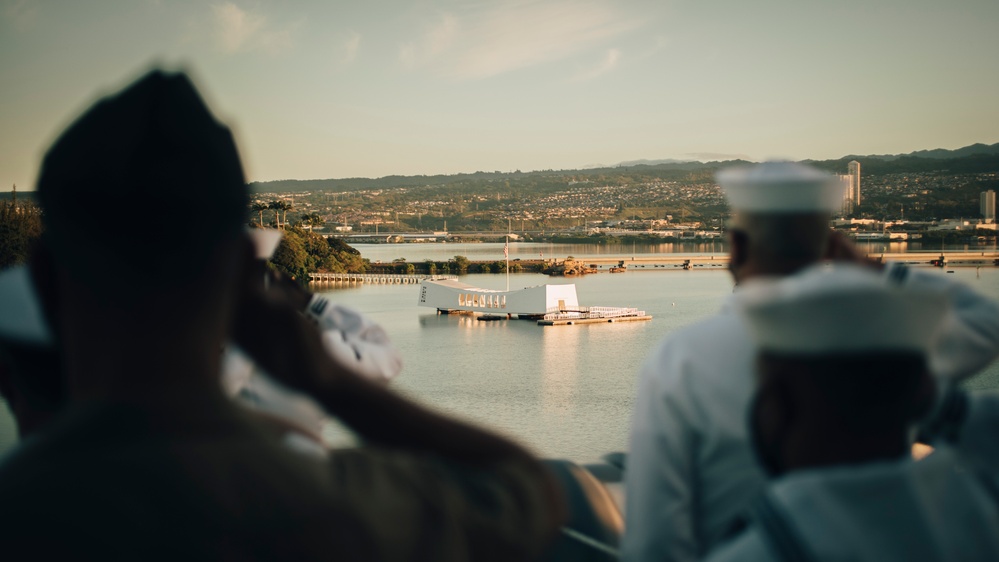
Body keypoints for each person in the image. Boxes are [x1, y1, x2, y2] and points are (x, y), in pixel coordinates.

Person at [0, 68, 562, 560]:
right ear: (244, 272)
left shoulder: (24, 509)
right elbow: (524, 491)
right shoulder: (336, 509)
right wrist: (323, 377)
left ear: (45, 278)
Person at [622, 161, 999, 562]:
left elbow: (654, 542)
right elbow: (986, 324)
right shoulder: (885, 340)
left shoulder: (679, 359)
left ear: (737, 247)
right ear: (831, 247)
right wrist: (876, 270)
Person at [705, 264, 999, 561]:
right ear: (921, 395)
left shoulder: (756, 551)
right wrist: (877, 270)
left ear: (777, 406)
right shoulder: (979, 518)